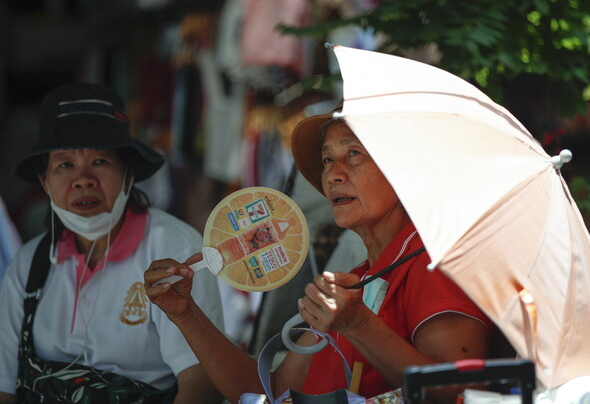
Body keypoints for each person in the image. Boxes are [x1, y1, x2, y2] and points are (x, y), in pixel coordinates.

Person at [144, 106, 491, 402]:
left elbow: (456, 389)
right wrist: (186, 315)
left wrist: (359, 325)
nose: (333, 174)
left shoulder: (433, 263)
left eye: (354, 154)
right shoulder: (361, 278)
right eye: (327, 159)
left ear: (403, 172)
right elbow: (271, 390)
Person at [0, 83, 225, 403]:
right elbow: (5, 385)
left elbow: (201, 381)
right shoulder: (28, 264)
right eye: (65, 165)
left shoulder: (172, 247)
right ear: (44, 182)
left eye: (101, 162)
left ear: (128, 174)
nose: (83, 179)